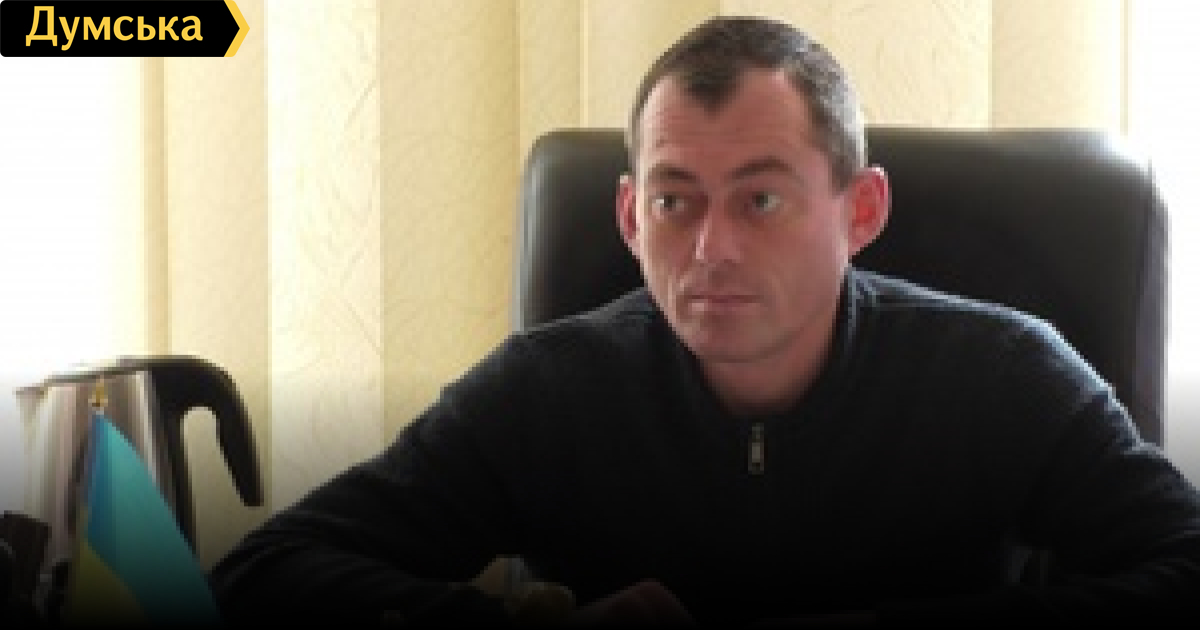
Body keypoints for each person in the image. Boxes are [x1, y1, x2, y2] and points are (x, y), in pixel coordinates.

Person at [209, 16, 1200, 627]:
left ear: (860, 212)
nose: (712, 248)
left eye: (761, 200)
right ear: (630, 218)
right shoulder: (550, 390)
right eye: (675, 201)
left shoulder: (1000, 371)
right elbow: (262, 572)